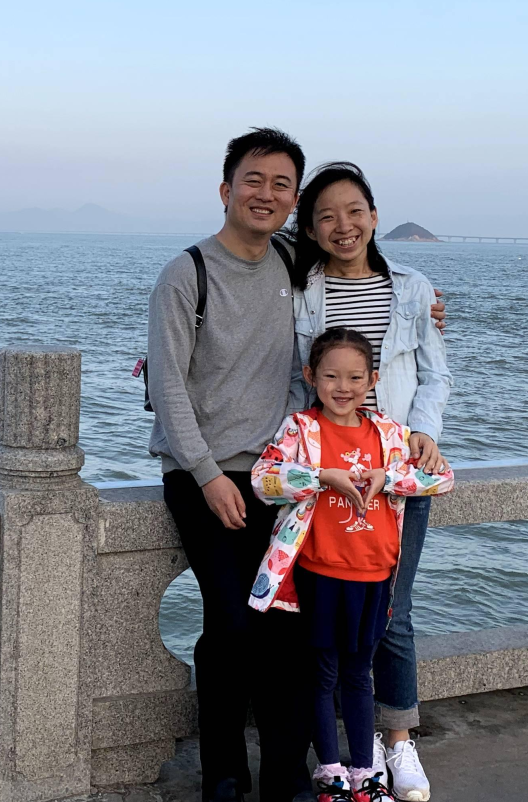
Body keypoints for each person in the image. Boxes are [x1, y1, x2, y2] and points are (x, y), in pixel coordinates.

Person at [146, 131, 447, 802]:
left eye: (282, 185)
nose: (267, 195)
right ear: (226, 189)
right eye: (254, 181)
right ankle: (225, 773)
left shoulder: (292, 265)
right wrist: (206, 474)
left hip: (289, 479)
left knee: (290, 630)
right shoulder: (186, 274)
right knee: (231, 623)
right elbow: (166, 387)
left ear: (292, 205)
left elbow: (363, 280)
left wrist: (424, 310)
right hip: (210, 475)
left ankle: (288, 774)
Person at [281, 163, 451, 801]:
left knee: (392, 612)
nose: (343, 225)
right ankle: (349, 746)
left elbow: (435, 372)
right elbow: (293, 373)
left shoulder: (413, 289)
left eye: (354, 211)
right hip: (324, 479)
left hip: (394, 475)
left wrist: (424, 431)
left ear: (375, 217)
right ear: (310, 229)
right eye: (325, 216)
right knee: (325, 618)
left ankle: (397, 739)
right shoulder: (301, 290)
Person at [248, 328, 454, 802]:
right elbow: (263, 480)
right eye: (331, 376)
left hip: (375, 575)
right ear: (310, 376)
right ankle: (331, 773)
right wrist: (321, 476)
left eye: (356, 377)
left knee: (360, 674)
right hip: (319, 574)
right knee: (322, 675)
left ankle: (366, 773)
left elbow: (442, 478)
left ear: (373, 380)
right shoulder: (300, 429)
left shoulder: (390, 433)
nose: (343, 387)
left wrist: (388, 477)